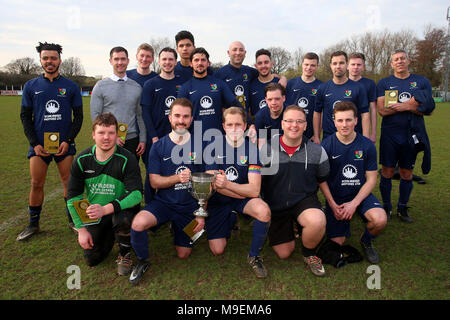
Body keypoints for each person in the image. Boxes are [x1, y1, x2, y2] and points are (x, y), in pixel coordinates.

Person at [129, 98, 206, 285]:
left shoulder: (200, 145)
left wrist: (201, 213)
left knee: (184, 254)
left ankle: (178, 227)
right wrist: (177, 178)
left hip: (188, 207)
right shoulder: (159, 146)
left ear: (191, 118)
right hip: (164, 203)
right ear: (170, 117)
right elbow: (154, 181)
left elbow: (205, 183)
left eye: (185, 116)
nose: (181, 120)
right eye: (177, 115)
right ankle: (142, 261)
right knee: (138, 223)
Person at [17, 41, 83, 241]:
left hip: (64, 145)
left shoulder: (70, 86)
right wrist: (34, 143)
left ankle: (73, 221)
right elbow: (25, 116)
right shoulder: (31, 86)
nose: (49, 61)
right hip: (39, 145)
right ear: (40, 60)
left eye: (53, 58)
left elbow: (78, 117)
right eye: (45, 58)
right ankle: (33, 224)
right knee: (36, 183)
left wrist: (68, 139)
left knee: (68, 183)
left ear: (59, 60)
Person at [67, 113, 143, 274]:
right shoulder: (82, 160)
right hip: (97, 213)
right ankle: (112, 235)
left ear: (117, 135)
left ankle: (125, 253)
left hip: (121, 210)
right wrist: (81, 230)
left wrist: (106, 209)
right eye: (101, 133)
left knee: (122, 219)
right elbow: (73, 196)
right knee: (92, 259)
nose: (106, 137)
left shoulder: (127, 158)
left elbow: (136, 194)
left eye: (111, 133)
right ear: (93, 135)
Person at [261, 105, 330, 277]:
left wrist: (333, 204)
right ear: (282, 124)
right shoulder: (266, 150)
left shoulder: (317, 151)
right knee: (284, 253)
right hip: (276, 204)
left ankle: (309, 254)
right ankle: (292, 226)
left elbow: (322, 179)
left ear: (306, 125)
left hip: (303, 200)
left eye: (299, 121)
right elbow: (258, 182)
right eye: (289, 121)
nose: (294, 125)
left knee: (317, 221)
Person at [205, 107, 271, 278]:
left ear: (245, 126)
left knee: (263, 211)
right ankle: (231, 218)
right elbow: (214, 185)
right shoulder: (212, 147)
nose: (234, 129)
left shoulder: (252, 149)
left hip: (240, 198)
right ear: (223, 126)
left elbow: (255, 189)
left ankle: (254, 256)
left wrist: (227, 184)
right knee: (217, 249)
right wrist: (241, 191)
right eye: (230, 124)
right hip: (219, 200)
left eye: (238, 125)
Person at [319, 101, 387, 264]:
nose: (344, 124)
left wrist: (354, 204)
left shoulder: (367, 145)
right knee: (337, 242)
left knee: (379, 220)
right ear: (334, 121)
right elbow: (321, 180)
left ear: (356, 120)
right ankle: (336, 215)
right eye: (340, 120)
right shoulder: (325, 146)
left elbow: (371, 179)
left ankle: (366, 240)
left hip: (360, 195)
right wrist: (332, 204)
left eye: (348, 120)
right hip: (337, 198)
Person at [376, 49, 435, 222]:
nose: (400, 61)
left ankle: (402, 207)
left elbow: (429, 110)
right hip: (389, 135)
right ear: (391, 64)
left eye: (402, 58)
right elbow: (382, 111)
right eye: (396, 59)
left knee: (406, 173)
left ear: (408, 61)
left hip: (412, 135)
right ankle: (386, 207)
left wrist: (406, 106)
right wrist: (412, 104)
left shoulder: (421, 82)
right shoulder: (385, 83)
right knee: (386, 171)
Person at [140, 47, 184, 204]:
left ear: (175, 62)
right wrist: (153, 136)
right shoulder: (150, 84)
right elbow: (145, 112)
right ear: (159, 61)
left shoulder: (181, 83)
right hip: (156, 138)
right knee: (153, 174)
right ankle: (151, 207)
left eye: (170, 59)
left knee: (176, 173)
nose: (167, 62)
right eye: (164, 59)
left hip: (178, 138)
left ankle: (175, 205)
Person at [90, 46, 146, 160]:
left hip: (132, 140)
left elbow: (140, 116)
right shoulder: (100, 86)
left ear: (128, 61)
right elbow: (95, 116)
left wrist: (143, 139)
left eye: (123, 59)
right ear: (111, 61)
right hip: (108, 140)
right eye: (116, 59)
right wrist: (112, 137)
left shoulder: (136, 87)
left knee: (130, 176)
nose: (120, 62)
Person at [177, 47, 243, 135]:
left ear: (208, 63)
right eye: (196, 60)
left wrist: (250, 124)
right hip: (194, 139)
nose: (200, 63)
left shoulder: (219, 84)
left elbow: (235, 104)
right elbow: (179, 116)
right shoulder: (185, 88)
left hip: (219, 137)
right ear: (191, 64)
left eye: (203, 60)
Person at [215, 42, 287, 117]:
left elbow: (265, 73)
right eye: (234, 50)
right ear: (228, 53)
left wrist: (283, 78)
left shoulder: (250, 72)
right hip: (229, 121)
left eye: (241, 50)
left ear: (245, 53)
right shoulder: (219, 74)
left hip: (247, 121)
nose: (238, 53)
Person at [313, 51, 369, 143]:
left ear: (347, 65)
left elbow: (365, 114)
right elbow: (317, 113)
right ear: (331, 65)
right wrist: (316, 136)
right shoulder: (322, 88)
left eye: (341, 63)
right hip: (329, 138)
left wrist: (366, 138)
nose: (338, 66)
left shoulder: (358, 88)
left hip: (353, 139)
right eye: (335, 63)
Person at [285, 52, 322, 140]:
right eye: (306, 64)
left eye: (312, 65)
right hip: (291, 131)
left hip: (310, 135)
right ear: (302, 65)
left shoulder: (321, 86)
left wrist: (316, 135)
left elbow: (321, 113)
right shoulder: (290, 84)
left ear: (317, 66)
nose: (309, 68)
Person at [347, 52, 377, 143]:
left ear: (363, 66)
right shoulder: (341, 83)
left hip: (362, 129)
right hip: (345, 128)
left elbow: (373, 109)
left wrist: (373, 133)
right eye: (353, 64)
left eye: (359, 65)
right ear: (347, 66)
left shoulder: (370, 84)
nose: (356, 67)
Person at [248, 49, 280, 117]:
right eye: (260, 63)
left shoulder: (280, 83)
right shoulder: (251, 86)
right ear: (256, 66)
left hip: (277, 126)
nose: (263, 66)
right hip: (258, 126)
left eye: (266, 62)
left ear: (271, 64)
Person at [254, 83, 285, 148]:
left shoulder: (291, 114)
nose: (273, 103)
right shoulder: (260, 117)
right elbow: (262, 145)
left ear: (283, 98)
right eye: (270, 99)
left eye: (277, 99)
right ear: (266, 100)